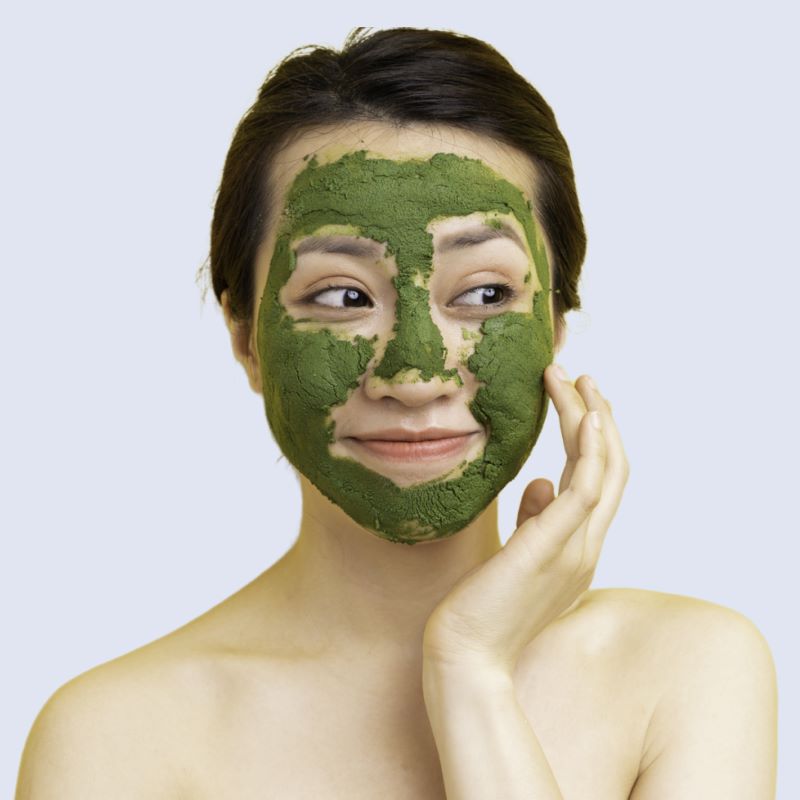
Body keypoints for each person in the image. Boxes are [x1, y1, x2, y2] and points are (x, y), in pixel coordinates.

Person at [16, 27, 777, 799]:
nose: (414, 376)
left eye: (485, 294)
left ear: (554, 325)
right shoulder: (115, 738)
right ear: (246, 337)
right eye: (343, 297)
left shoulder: (686, 671)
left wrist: (471, 670)